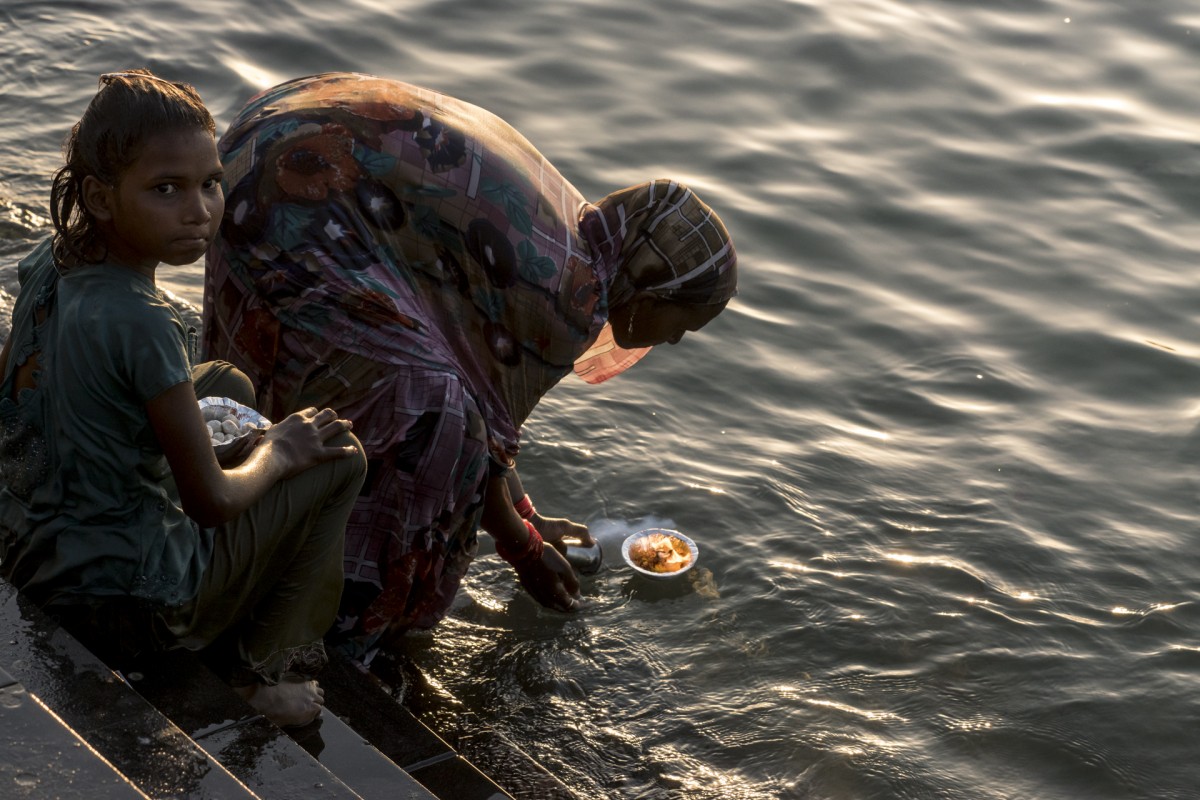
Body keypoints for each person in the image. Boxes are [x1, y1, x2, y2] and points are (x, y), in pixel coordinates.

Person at [202, 72, 738, 660]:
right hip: (298, 194)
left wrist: (530, 518)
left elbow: (487, 407)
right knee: (436, 426)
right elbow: (476, 447)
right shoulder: (572, 296)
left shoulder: (575, 232)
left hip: (267, 149)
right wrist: (526, 551)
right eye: (681, 325)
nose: (675, 342)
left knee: (427, 400)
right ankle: (350, 629)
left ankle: (256, 531)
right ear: (654, 289)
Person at [0, 70, 367, 728]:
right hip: (129, 599)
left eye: (211, 183)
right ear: (100, 197)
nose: (198, 209)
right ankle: (254, 674)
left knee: (225, 381)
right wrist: (279, 453)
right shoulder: (144, 321)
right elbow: (213, 502)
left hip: (31, 549)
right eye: (165, 189)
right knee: (338, 456)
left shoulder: (45, 262)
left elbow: (12, 418)